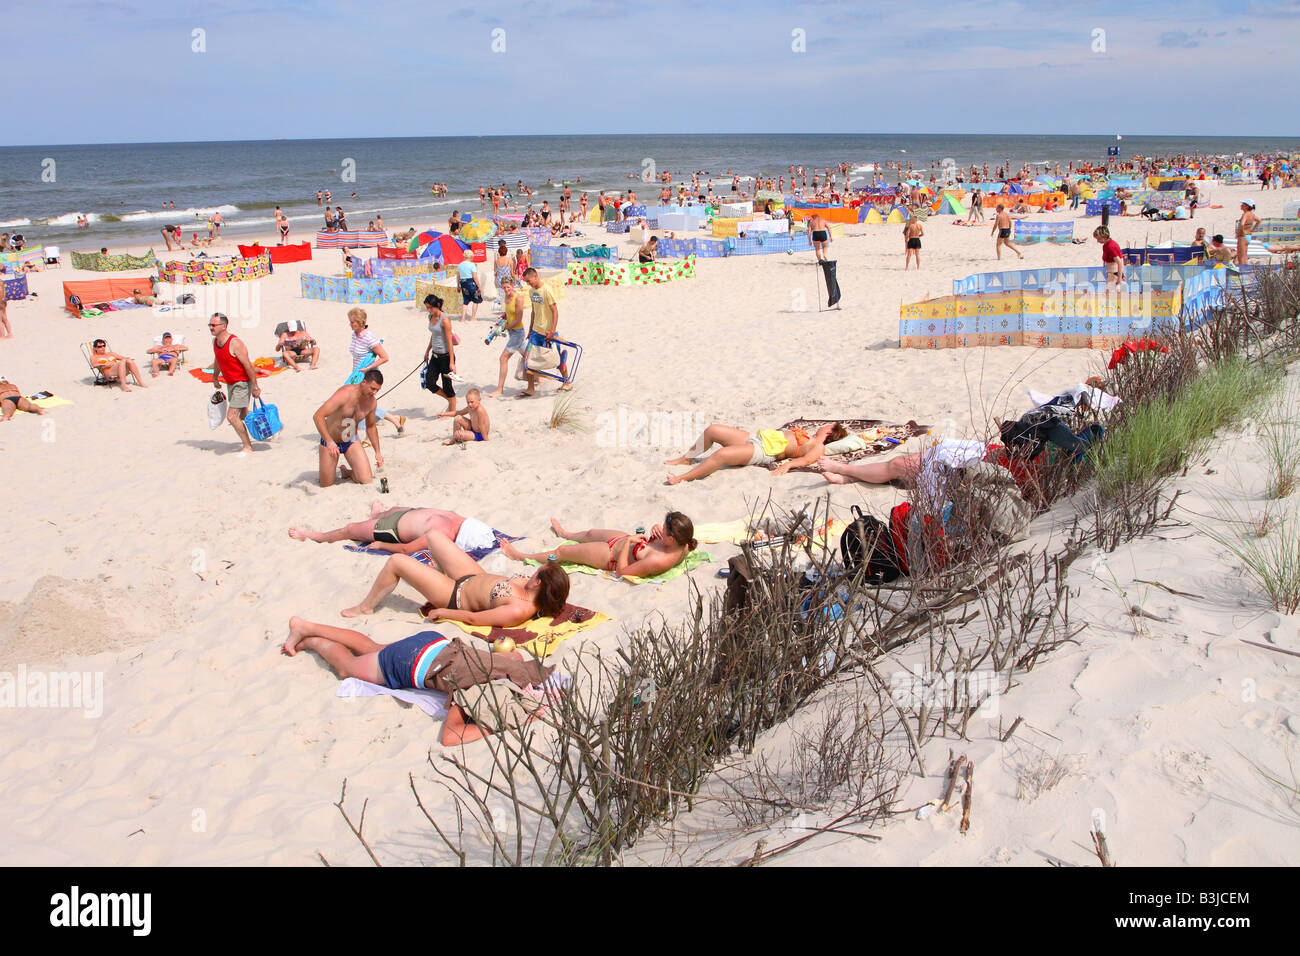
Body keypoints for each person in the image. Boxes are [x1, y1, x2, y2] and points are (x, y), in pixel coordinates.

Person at [281, 617, 561, 746]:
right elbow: (451, 736)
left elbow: (516, 657)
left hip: (436, 643)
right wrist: (499, 726)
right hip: (412, 663)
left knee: (373, 647)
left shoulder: (520, 673)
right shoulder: (478, 694)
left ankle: (310, 627)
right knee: (348, 668)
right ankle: (314, 639)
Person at [341, 529, 571, 627]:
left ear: (538, 583)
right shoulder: (530, 589)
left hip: (455, 596)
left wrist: (445, 612)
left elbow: (473, 619)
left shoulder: (518, 610)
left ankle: (366, 607)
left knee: (396, 563)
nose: (533, 572)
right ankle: (436, 572)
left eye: (537, 572)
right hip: (472, 576)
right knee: (433, 536)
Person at [500, 511, 698, 578]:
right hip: (624, 541)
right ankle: (564, 532)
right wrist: (655, 529)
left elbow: (622, 572)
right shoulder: (683, 544)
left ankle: (520, 556)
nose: (660, 530)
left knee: (563, 552)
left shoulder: (658, 561)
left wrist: (629, 542)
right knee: (591, 533)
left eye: (664, 529)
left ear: (671, 539)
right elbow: (667, 538)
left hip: (610, 556)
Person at [665, 422, 848, 484]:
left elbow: (808, 460)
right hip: (757, 438)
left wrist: (788, 464)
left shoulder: (819, 445)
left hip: (764, 450)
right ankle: (686, 459)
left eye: (828, 425)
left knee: (722, 455)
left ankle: (683, 478)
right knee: (713, 430)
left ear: (830, 430)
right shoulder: (810, 434)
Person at [290, 504, 498, 554]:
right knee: (392, 509)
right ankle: (376, 514)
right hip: (409, 512)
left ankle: (316, 536)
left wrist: (381, 544)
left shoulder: (440, 534)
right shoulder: (456, 520)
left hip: (391, 529)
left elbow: (407, 549)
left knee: (351, 529)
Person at [314, 368, 385, 487]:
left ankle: (347, 472)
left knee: (366, 479)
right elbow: (318, 416)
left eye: (377, 390)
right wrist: (329, 441)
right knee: (326, 484)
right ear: (363, 382)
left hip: (351, 441)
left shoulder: (372, 402)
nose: (374, 393)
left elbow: (371, 427)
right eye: (372, 388)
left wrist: (377, 452)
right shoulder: (345, 394)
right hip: (331, 443)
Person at [346, 308, 405, 436]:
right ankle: (394, 419)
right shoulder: (354, 335)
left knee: (365, 403)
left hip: (368, 375)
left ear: (360, 322)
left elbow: (385, 357)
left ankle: (392, 420)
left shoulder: (368, 337)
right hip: (357, 375)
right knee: (359, 402)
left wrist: (368, 368)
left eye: (352, 322)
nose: (350, 324)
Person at [209, 313, 259, 456]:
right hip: (230, 383)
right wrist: (214, 377)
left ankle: (247, 446)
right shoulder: (215, 342)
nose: (211, 327)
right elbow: (218, 359)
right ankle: (271, 426)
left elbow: (248, 366)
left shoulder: (235, 343)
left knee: (232, 416)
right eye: (210, 325)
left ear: (224, 326)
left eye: (214, 325)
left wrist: (255, 386)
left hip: (242, 383)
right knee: (243, 415)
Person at [520, 267, 565, 398]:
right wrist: (529, 330)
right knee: (528, 358)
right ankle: (530, 388)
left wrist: (552, 330)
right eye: (526, 282)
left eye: (529, 281)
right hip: (535, 331)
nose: (528, 283)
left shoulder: (547, 290)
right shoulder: (531, 291)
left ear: (535, 276)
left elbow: (555, 312)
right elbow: (534, 311)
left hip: (548, 331)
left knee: (556, 359)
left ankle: (566, 382)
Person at [487, 276, 528, 399]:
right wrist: (501, 322)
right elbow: (508, 313)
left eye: (508, 287)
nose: (506, 290)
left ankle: (499, 389)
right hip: (511, 331)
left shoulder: (519, 298)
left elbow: (518, 319)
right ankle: (540, 378)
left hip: (518, 332)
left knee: (503, 358)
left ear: (513, 285)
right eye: (504, 287)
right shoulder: (505, 297)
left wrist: (505, 327)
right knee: (527, 355)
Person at [422, 294, 458, 418]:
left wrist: (452, 362)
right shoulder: (430, 317)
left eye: (431, 308)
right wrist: (427, 351)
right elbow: (434, 335)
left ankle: (452, 411)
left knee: (447, 385)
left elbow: (449, 342)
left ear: (437, 305)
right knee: (429, 382)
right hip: (435, 355)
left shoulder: (445, 320)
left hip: (446, 356)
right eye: (427, 308)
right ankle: (450, 400)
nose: (429, 310)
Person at [456, 256, 483, 322]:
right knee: (476, 300)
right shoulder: (472, 265)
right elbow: (475, 277)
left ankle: (463, 318)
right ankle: (473, 318)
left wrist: (458, 286)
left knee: (465, 301)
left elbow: (458, 276)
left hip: (463, 283)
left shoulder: (460, 265)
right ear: (471, 257)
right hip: (471, 283)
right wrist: (479, 286)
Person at [1236, 201, 1260, 265]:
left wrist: (1242, 232)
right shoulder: (1252, 214)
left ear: (1247, 206)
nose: (1241, 205)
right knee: (1245, 255)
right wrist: (1253, 230)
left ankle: (1243, 270)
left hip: (1243, 236)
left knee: (1241, 257)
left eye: (1243, 204)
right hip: (1248, 236)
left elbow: (1242, 224)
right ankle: (1245, 269)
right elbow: (1259, 220)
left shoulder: (1245, 214)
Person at [493, 239, 512, 308]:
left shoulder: (496, 258)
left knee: (501, 295)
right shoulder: (509, 259)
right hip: (507, 278)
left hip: (499, 279)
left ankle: (502, 309)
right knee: (508, 294)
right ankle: (506, 310)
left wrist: (495, 278)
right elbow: (512, 272)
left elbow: (495, 270)